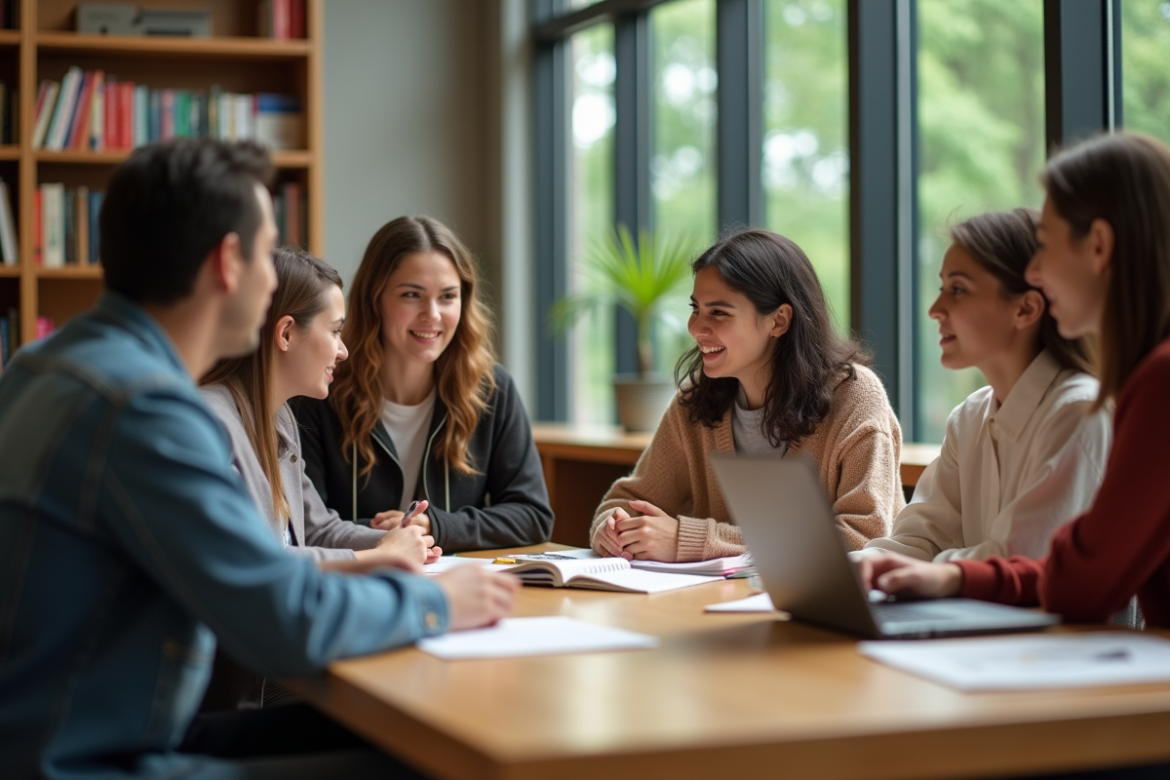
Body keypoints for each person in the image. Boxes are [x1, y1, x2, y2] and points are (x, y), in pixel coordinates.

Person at [0, 139, 517, 780]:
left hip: (92, 732)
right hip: (92, 761)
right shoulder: (145, 411)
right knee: (436, 764)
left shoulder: (43, 367)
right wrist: (443, 604)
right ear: (227, 264)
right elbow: (282, 618)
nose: (275, 280)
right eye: (266, 254)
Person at [856, 132, 1170, 635]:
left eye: (1045, 245)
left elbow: (1080, 581)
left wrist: (949, 573)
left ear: (1099, 245)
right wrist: (947, 574)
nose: (1038, 272)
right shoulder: (1144, 380)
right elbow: (1066, 571)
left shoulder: (1148, 386)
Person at [590, 228, 904, 562]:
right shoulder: (693, 404)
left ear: (778, 321)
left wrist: (695, 540)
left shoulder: (856, 398)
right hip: (726, 604)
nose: (696, 328)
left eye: (719, 312)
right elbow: (625, 501)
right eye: (696, 308)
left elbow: (863, 539)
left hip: (849, 610)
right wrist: (614, 530)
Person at [855, 209, 1111, 563]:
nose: (935, 308)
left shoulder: (1077, 413)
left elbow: (1018, 564)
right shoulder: (971, 416)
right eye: (943, 287)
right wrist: (839, 570)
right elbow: (917, 541)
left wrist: (920, 569)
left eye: (958, 290)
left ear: (1025, 309)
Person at [292, 215, 553, 552]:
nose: (432, 314)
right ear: (375, 299)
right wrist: (396, 534)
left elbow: (533, 515)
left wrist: (435, 526)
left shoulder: (492, 390)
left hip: (452, 584)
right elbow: (303, 519)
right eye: (412, 295)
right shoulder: (320, 389)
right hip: (356, 582)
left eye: (448, 297)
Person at [200, 246, 439, 568]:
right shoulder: (209, 424)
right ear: (285, 333)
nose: (343, 351)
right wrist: (382, 555)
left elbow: (319, 530)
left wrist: (397, 538)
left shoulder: (279, 418)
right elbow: (253, 560)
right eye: (335, 330)